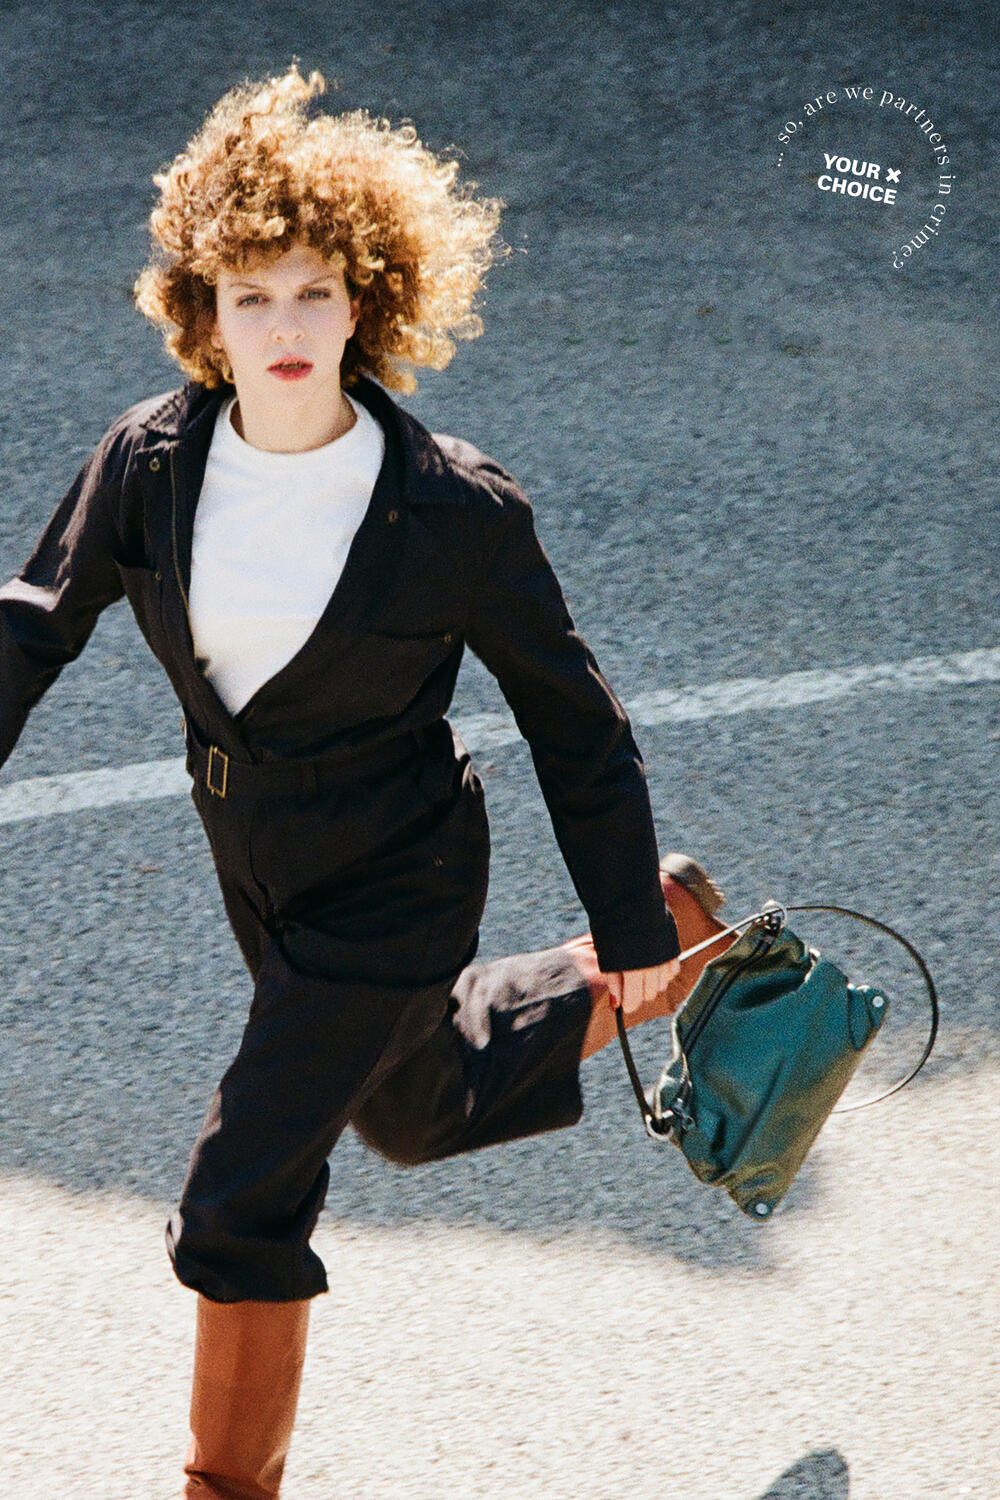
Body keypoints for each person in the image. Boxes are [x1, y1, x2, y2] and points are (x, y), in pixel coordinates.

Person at [0, 65, 732, 1498]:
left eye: (314, 291)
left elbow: (573, 722)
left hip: (400, 871)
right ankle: (663, 935)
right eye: (250, 294)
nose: (283, 326)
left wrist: (616, 914)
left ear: (369, 302)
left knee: (243, 1196)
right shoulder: (148, 464)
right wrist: (637, 949)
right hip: (255, 861)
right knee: (411, 1106)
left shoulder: (453, 508)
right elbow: (32, 627)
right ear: (201, 312)